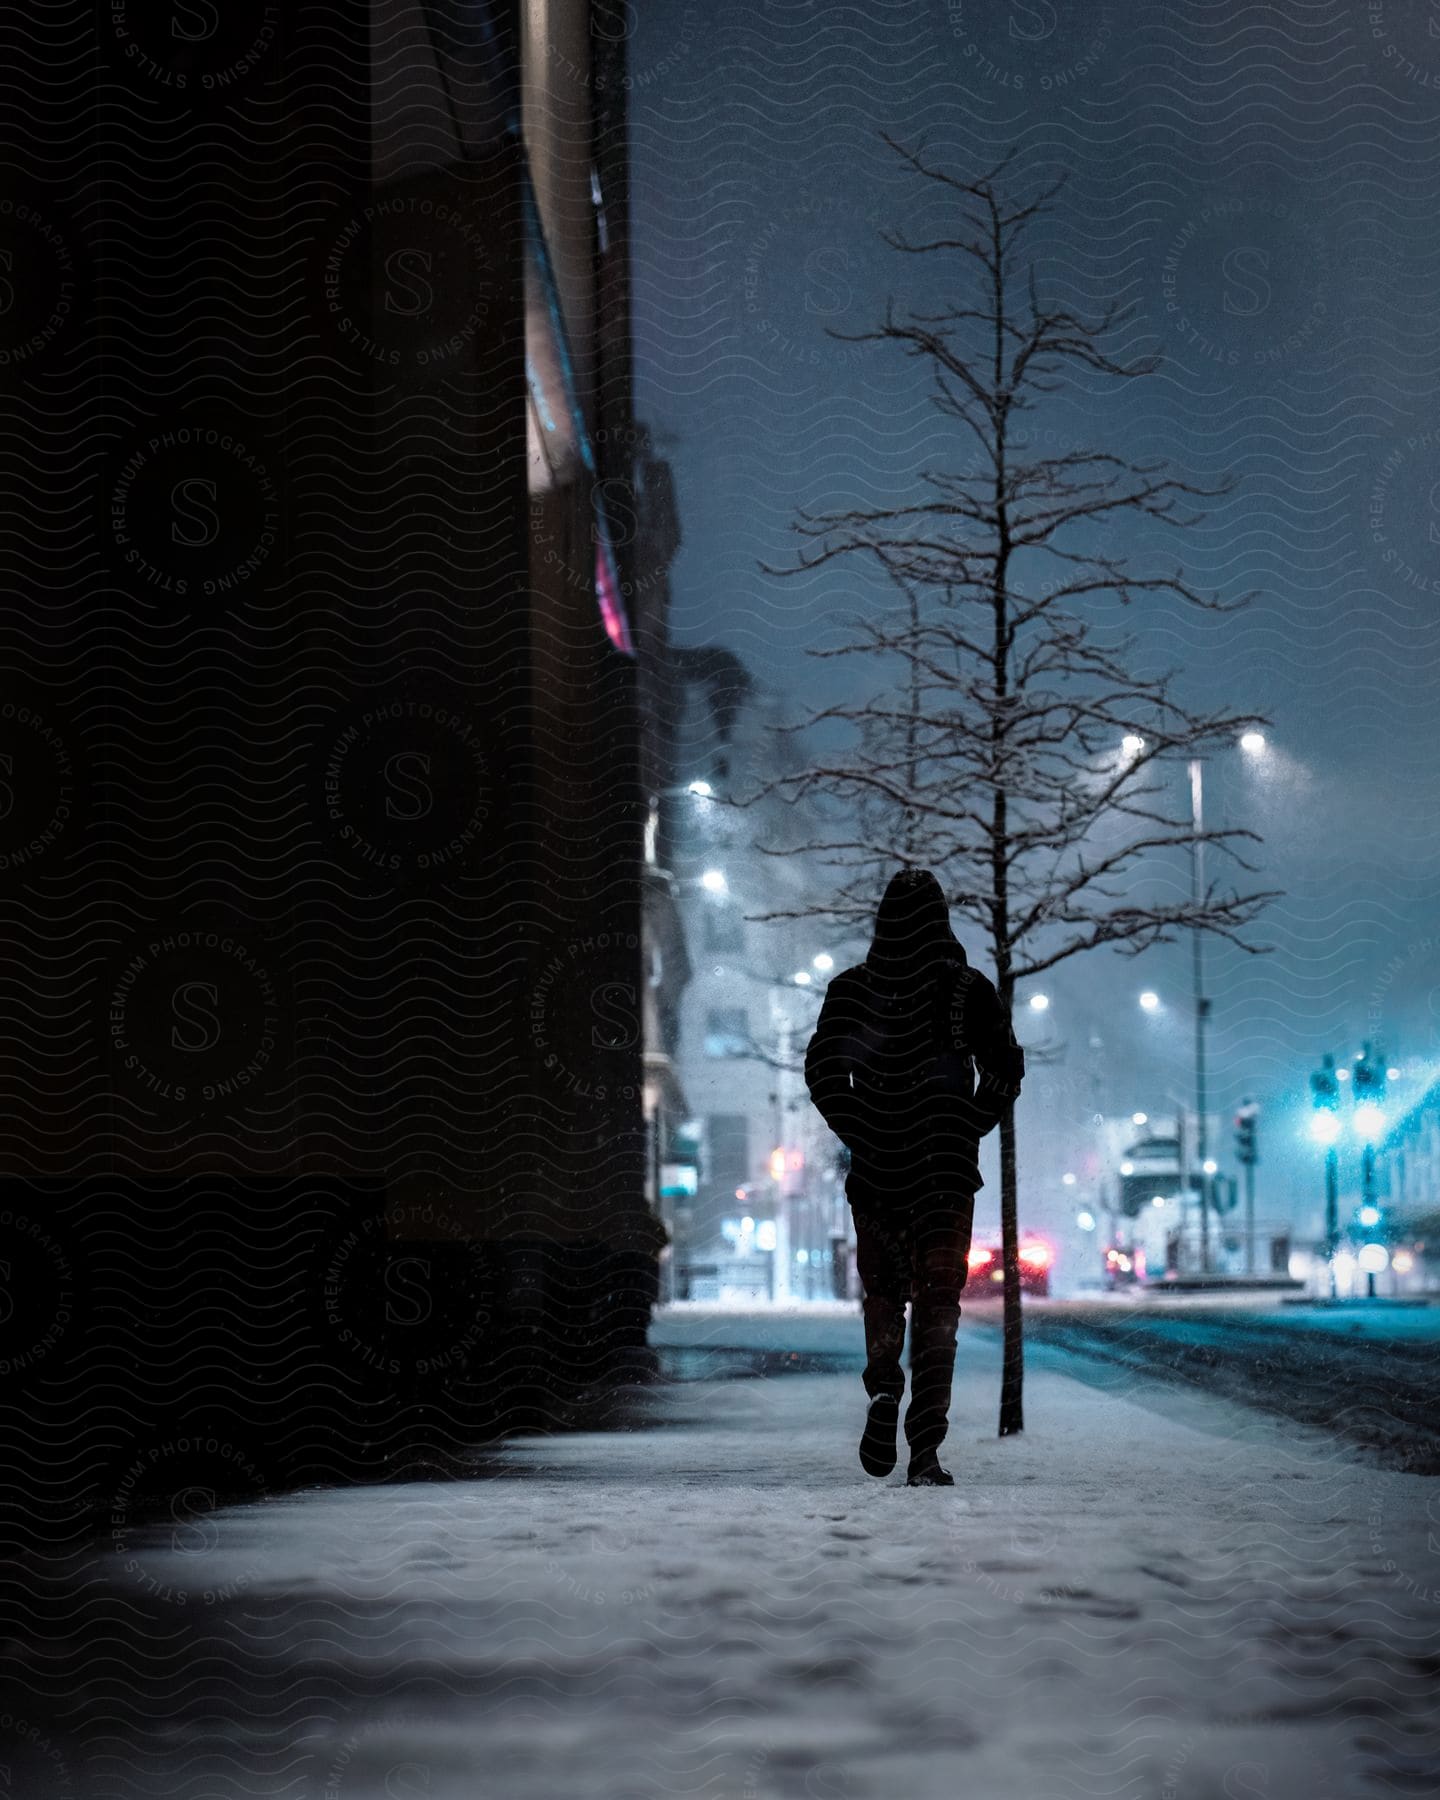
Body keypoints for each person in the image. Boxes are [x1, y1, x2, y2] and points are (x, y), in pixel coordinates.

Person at [804, 869, 1024, 1486]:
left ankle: (882, 1390)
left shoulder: (851, 991)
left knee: (883, 1294)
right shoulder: (969, 991)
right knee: (938, 1306)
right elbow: (1006, 1068)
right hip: (946, 1177)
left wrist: (861, 1130)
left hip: (877, 1175)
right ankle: (925, 1447)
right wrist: (969, 1123)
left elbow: (822, 1071)